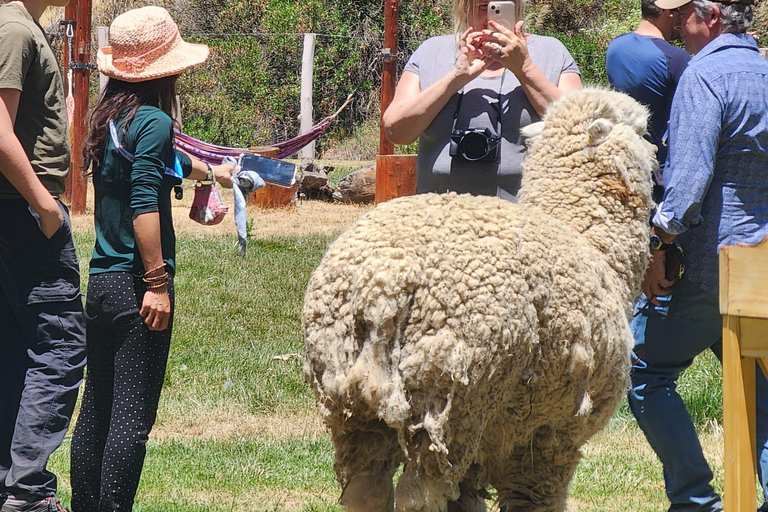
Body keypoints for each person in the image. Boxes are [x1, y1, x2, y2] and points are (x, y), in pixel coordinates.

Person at [67, 7, 235, 511]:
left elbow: (149, 166)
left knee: (95, 408)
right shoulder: (157, 121)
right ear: (168, 70)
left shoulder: (109, 119)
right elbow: (145, 205)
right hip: (138, 286)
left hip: (101, 282)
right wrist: (157, 282)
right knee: (131, 420)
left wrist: (208, 171)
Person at [628, 0, 768, 510]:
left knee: (642, 371)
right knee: (760, 387)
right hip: (763, 273)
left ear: (710, 16)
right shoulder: (764, 69)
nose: (672, 22)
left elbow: (686, 186)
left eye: (681, 12)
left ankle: (694, 500)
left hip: (713, 268)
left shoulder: (704, 75)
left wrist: (656, 243)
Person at [0, 0, 86, 510]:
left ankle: (11, 483)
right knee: (58, 346)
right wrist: (43, 204)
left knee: (15, 346)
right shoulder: (13, 28)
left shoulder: (21, 26)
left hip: (14, 213)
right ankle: (29, 493)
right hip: (24, 214)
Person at [382, 0, 581, 200]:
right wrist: (455, 79)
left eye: (502, 6)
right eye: (483, 7)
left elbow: (579, 131)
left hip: (529, 215)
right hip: (440, 215)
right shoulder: (431, 51)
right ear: (465, 6)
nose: (492, 18)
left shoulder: (552, 51)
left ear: (517, 6)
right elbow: (396, 131)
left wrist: (524, 68)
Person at [605, 0, 690, 201]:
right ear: (668, 12)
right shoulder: (675, 58)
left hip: (621, 155)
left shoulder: (616, 46)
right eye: (681, 12)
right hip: (660, 165)